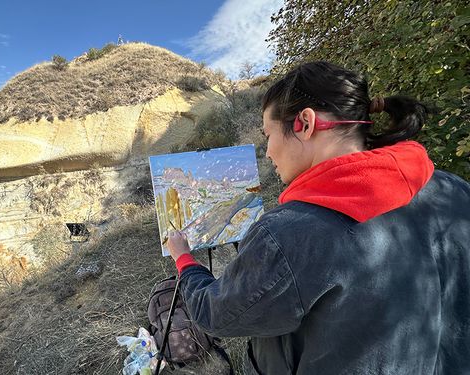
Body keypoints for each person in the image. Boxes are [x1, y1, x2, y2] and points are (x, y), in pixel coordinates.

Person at [166, 61, 470, 375]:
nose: (268, 152)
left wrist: (184, 260)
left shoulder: (287, 235)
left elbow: (217, 314)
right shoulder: (455, 190)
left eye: (268, 134)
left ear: (305, 124)